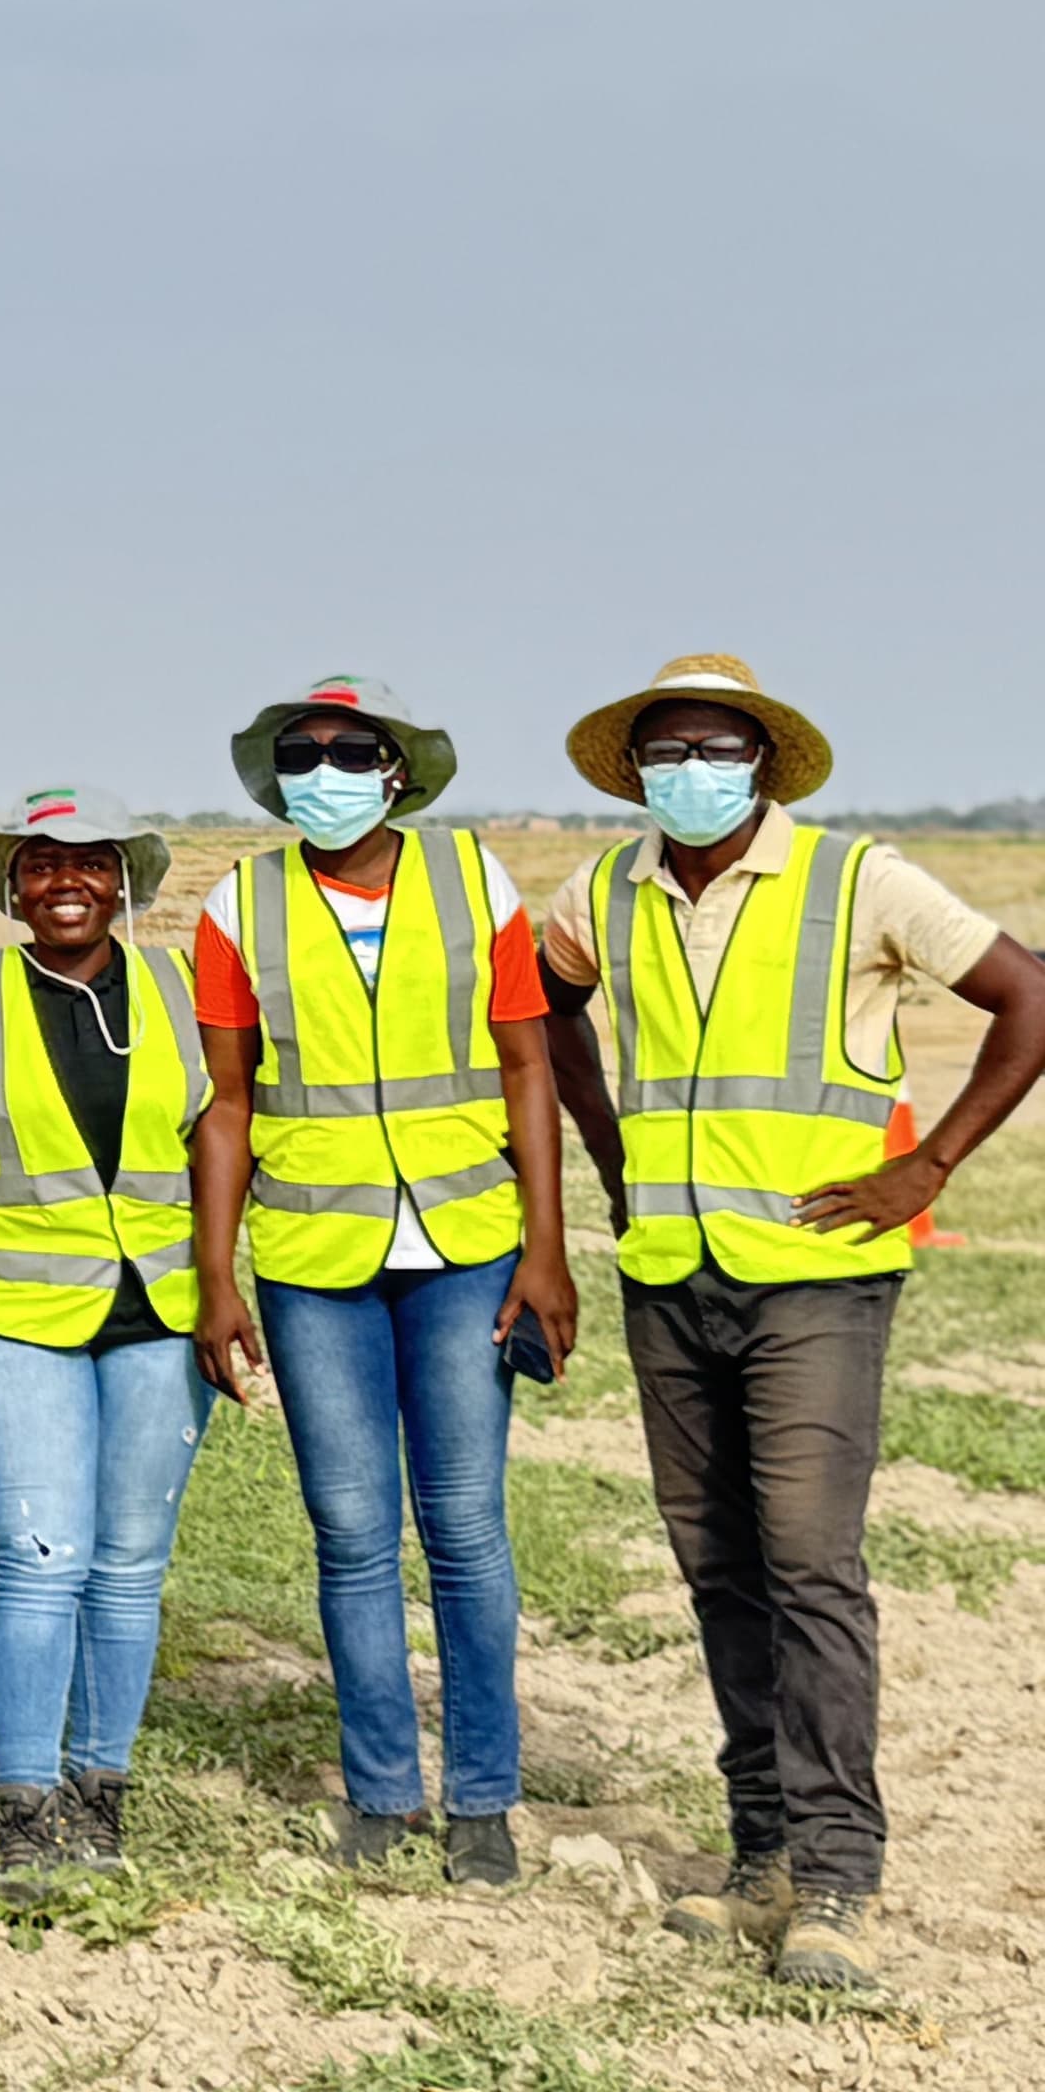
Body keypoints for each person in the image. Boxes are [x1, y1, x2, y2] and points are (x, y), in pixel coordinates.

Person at [538, 656, 1045, 1989]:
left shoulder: (858, 878)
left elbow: (1029, 995)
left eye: (715, 749)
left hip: (816, 1279)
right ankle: (758, 1855)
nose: (689, 771)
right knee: (721, 1572)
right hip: (670, 1269)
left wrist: (929, 1165)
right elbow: (540, 1008)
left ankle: (834, 1878)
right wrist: (608, 1146)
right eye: (665, 751)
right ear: (633, 770)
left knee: (813, 1571)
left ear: (762, 762)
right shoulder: (604, 891)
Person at [187, 674, 581, 1889]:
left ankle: (483, 1802)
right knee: (352, 1530)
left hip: (468, 1250)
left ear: (396, 770)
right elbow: (228, 1105)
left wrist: (549, 1250)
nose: (324, 772)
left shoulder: (476, 882)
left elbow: (528, 1069)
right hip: (315, 1262)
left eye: (349, 752)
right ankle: (379, 1795)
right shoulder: (239, 905)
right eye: (300, 755)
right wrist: (215, 1276)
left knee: (464, 1527)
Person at [0, 788, 215, 1904]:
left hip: (159, 1311)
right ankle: (26, 1810)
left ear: (124, 882)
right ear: (12, 887)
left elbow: (221, 1133)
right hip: (18, 1315)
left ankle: (101, 1794)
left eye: (90, 863)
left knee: (131, 1568)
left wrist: (223, 1290)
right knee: (40, 1560)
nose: (66, 884)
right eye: (42, 865)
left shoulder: (180, 989)